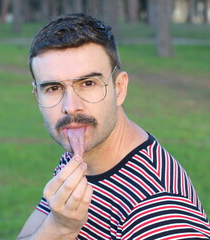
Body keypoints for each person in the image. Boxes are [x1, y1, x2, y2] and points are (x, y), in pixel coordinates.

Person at [17, 13, 210, 240]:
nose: (71, 107)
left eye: (88, 83)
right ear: (36, 95)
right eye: (53, 88)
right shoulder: (80, 157)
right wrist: (58, 226)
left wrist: (62, 229)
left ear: (119, 88)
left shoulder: (158, 212)